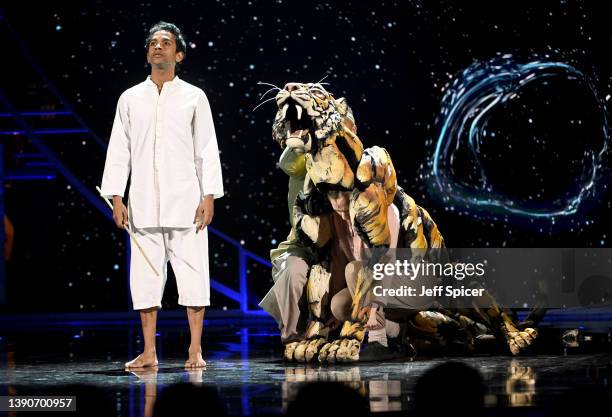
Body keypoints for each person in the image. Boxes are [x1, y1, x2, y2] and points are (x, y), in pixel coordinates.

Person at [101, 21, 223, 369]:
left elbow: (207, 148)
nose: (158, 47)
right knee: (144, 280)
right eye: (153, 42)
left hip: (187, 205)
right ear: (147, 53)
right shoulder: (130, 99)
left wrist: (210, 194)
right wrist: (117, 197)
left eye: (166, 42)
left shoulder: (194, 97)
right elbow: (118, 150)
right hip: (142, 207)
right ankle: (149, 352)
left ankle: (195, 350)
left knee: (194, 275)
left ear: (178, 54)